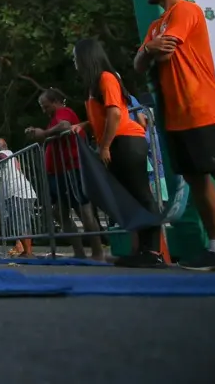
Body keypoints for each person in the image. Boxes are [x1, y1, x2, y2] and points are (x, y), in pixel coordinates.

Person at [135, 0, 215, 271]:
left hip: (201, 106)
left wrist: (149, 51)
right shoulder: (155, 26)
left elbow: (166, 52)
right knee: (196, 178)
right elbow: (139, 64)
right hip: (175, 115)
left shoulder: (186, 10)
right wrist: (148, 48)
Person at [72, 38, 165, 267]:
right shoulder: (94, 84)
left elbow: (115, 114)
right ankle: (141, 249)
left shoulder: (107, 78)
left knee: (141, 195)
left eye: (76, 57)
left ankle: (153, 251)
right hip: (118, 142)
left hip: (127, 141)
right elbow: (104, 115)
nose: (74, 62)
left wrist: (104, 146)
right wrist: (85, 125)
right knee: (130, 198)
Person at [24, 89, 105, 261]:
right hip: (57, 172)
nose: (44, 110)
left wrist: (44, 133)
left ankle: (97, 252)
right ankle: (79, 251)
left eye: (46, 106)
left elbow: (65, 126)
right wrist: (37, 133)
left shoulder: (64, 112)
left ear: (56, 102)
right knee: (59, 212)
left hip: (70, 169)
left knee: (83, 209)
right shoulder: (53, 119)